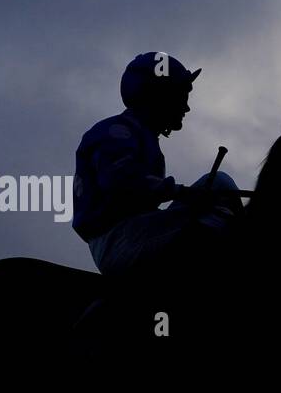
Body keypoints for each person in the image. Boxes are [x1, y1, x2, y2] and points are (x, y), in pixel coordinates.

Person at [71, 52, 240, 288]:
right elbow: (120, 181)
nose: (187, 107)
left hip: (137, 231)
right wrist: (182, 193)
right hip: (120, 241)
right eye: (181, 96)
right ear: (158, 96)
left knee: (221, 185)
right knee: (220, 208)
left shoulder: (140, 137)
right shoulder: (116, 131)